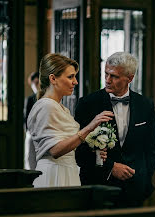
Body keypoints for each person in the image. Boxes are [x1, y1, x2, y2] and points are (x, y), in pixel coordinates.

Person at [75, 52, 155, 207]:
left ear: (130, 78)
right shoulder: (87, 104)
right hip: (98, 187)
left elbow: (152, 148)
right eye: (106, 74)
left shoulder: (145, 105)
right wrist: (110, 167)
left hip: (135, 190)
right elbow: (78, 150)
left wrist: (143, 175)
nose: (107, 80)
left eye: (114, 76)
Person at [27, 53, 113, 187]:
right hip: (55, 173)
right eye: (70, 77)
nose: (75, 82)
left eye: (75, 76)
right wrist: (90, 127)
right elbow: (55, 150)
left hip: (67, 170)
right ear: (53, 78)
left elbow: (68, 144)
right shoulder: (47, 106)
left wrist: (93, 149)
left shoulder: (62, 108)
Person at [24, 71, 39, 170]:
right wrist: (28, 131)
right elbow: (26, 117)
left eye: (37, 82)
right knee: (30, 156)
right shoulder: (30, 99)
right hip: (32, 131)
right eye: (34, 83)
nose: (36, 86)